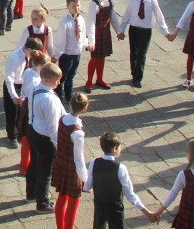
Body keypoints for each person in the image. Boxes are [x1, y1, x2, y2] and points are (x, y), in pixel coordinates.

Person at [78, 131, 155, 227]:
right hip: (115, 210)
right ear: (115, 148)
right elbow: (130, 194)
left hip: (99, 206)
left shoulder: (94, 162)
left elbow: (87, 186)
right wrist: (147, 212)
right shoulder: (121, 168)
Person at [116, 0, 170, 89]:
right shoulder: (132, 0)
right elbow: (126, 16)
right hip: (134, 30)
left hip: (146, 31)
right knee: (133, 53)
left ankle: (138, 78)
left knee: (141, 54)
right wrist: (121, 30)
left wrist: (166, 33)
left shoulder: (153, 2)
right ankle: (133, 73)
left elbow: (160, 18)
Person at [24, 63, 64, 214]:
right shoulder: (49, 100)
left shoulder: (35, 88)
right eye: (56, 80)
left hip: (33, 130)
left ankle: (31, 194)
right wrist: (58, 146)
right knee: (45, 172)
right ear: (47, 80)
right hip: (45, 138)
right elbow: (53, 128)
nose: (58, 83)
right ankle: (42, 203)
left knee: (34, 164)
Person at [50, 92, 89, 229]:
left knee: (61, 197)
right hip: (72, 171)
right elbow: (79, 159)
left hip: (61, 163)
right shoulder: (78, 133)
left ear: (70, 104)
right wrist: (86, 180)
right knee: (73, 203)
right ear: (84, 109)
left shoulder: (62, 119)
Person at [3, 36, 44, 148]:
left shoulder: (30, 57)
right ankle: (12, 136)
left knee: (22, 110)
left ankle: (20, 130)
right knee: (12, 112)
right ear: (29, 50)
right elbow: (9, 79)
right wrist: (13, 96)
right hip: (14, 85)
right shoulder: (14, 58)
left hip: (25, 83)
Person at [84, 0, 118, 92]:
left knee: (102, 57)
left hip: (105, 33)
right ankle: (89, 81)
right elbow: (91, 23)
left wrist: (119, 31)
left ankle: (99, 79)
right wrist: (91, 41)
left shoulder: (110, 1)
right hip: (96, 34)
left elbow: (113, 17)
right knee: (94, 58)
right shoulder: (94, 4)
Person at [52, 0, 87, 103]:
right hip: (67, 55)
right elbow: (61, 41)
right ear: (67, 6)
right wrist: (56, 55)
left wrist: (87, 44)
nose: (76, 8)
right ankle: (59, 98)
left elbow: (83, 34)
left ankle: (69, 96)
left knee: (71, 76)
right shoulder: (64, 22)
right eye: (73, 6)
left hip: (77, 53)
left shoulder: (81, 19)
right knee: (62, 78)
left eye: (78, 5)